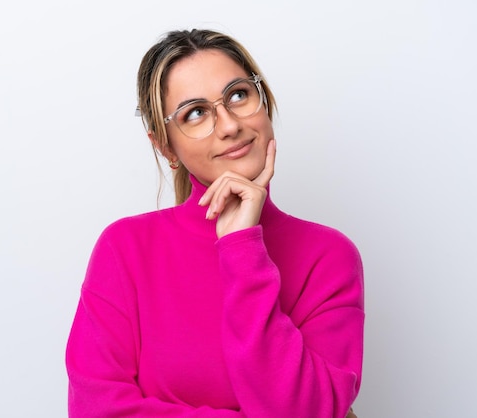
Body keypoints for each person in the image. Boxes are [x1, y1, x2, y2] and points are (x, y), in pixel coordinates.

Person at [66, 28, 364, 418]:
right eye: (196, 113)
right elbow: (96, 410)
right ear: (166, 146)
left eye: (238, 95)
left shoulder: (329, 256)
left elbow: (302, 411)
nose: (228, 125)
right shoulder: (125, 248)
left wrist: (242, 250)